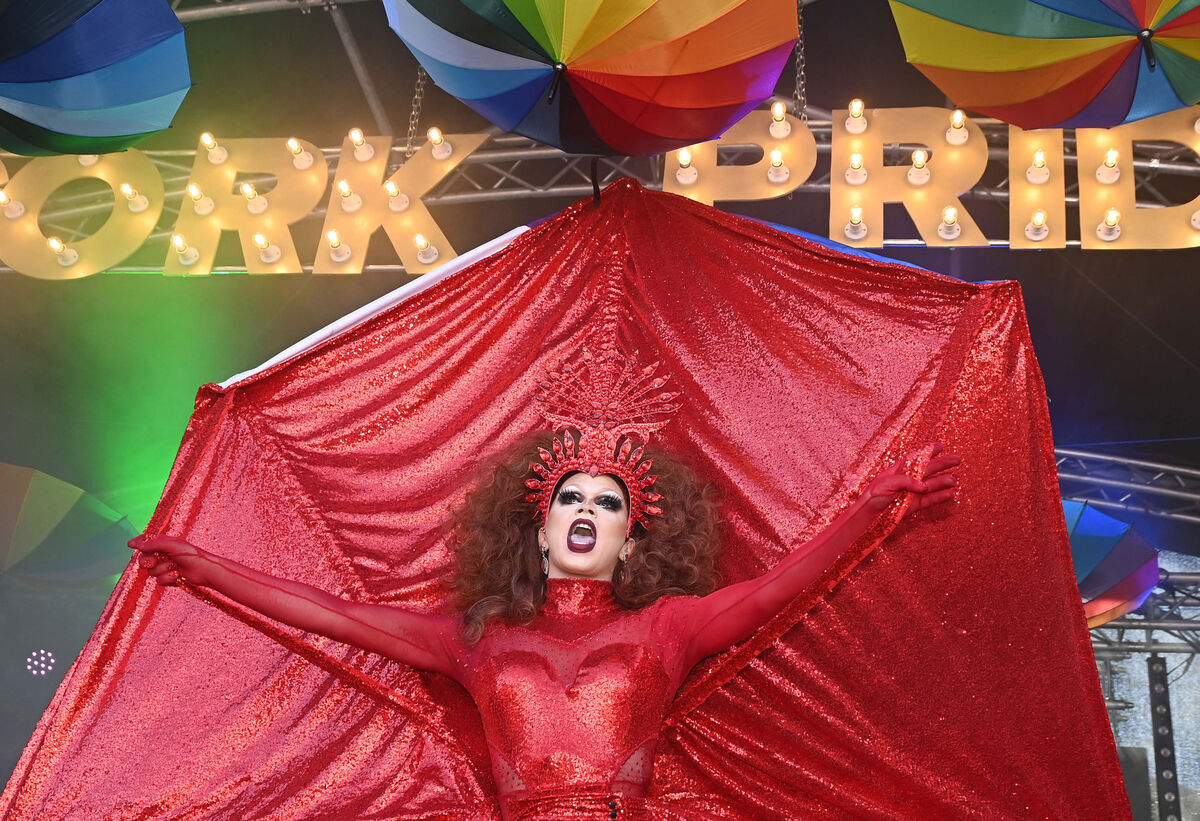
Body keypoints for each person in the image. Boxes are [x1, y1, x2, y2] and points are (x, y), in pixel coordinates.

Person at [130, 348, 959, 820]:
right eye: (572, 497)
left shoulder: (671, 626)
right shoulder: (473, 634)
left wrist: (877, 509)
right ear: (539, 527)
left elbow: (784, 585)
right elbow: (331, 614)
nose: (587, 507)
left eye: (609, 502)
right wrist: (208, 571)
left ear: (632, 542)